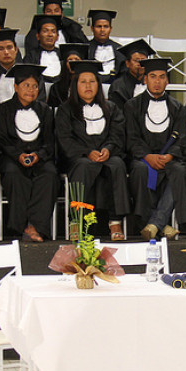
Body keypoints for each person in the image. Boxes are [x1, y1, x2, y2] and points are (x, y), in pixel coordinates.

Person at [56, 60, 131, 241]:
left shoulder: (111, 108)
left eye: (92, 81)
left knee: (117, 165)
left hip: (107, 155)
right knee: (82, 166)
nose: (88, 86)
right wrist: (87, 152)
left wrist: (108, 149)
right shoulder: (66, 110)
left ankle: (115, 222)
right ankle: (77, 221)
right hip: (78, 157)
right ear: (75, 85)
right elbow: (65, 138)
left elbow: (117, 134)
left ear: (99, 84)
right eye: (83, 82)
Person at [125, 57, 186, 240]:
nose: (157, 81)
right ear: (145, 79)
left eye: (162, 77)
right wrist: (148, 156)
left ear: (167, 80)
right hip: (143, 159)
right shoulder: (132, 106)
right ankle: (161, 224)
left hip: (168, 159)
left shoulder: (178, 108)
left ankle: (154, 224)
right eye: (153, 76)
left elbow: (182, 140)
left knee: (179, 171)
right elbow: (131, 138)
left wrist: (169, 156)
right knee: (139, 170)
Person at [0, 64, 56, 242]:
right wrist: (18, 155)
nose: (31, 90)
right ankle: (20, 227)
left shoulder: (45, 111)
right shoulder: (4, 110)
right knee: (13, 174)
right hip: (13, 157)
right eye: (26, 85)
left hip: (40, 157)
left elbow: (50, 140)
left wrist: (39, 155)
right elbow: (2, 139)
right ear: (15, 87)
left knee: (50, 174)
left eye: (35, 86)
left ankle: (35, 227)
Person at [107, 38, 154, 110]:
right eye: (136, 60)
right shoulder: (118, 87)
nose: (140, 64)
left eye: (143, 60)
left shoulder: (151, 84)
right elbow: (117, 116)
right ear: (127, 63)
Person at [23, 14, 65, 94]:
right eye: (45, 31)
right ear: (38, 36)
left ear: (57, 37)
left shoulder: (63, 55)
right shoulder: (31, 56)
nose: (49, 35)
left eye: (53, 31)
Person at [86, 9, 122, 86]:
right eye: (99, 26)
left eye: (106, 26)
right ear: (92, 28)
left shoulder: (119, 49)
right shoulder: (85, 48)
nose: (102, 30)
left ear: (110, 29)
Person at [47, 43, 89, 109]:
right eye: (70, 60)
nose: (73, 63)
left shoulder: (89, 86)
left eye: (77, 60)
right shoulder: (56, 88)